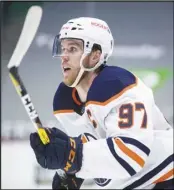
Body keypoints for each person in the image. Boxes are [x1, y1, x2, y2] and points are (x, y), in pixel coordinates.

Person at [30, 17, 173, 189]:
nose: (64, 57)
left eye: (73, 49)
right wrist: (71, 172)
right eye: (63, 49)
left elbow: (131, 155)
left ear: (95, 56)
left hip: (165, 177)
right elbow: (92, 149)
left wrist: (73, 156)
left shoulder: (117, 84)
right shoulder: (65, 101)